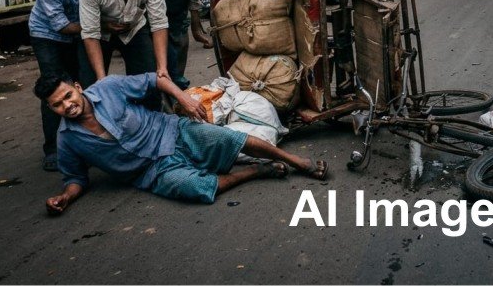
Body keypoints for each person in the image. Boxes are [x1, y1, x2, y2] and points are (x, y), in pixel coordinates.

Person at [36, 72, 328, 214]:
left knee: (227, 138)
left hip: (172, 131)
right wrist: (65, 197)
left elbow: (155, 80)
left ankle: (295, 161)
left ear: (77, 88)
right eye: (57, 105)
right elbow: (75, 178)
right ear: (51, 108)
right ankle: (255, 171)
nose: (67, 106)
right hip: (151, 171)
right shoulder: (67, 139)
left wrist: (183, 98)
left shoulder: (108, 87)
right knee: (195, 189)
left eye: (68, 96)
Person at [28, 0, 107, 172]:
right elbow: (62, 26)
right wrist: (101, 25)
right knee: (53, 88)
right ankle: (53, 148)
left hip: (83, 31)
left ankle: (89, 141)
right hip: (48, 35)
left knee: (85, 83)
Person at [78, 0, 169, 111]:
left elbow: (159, 23)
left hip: (135, 29)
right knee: (92, 87)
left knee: (149, 85)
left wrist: (162, 67)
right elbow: (90, 34)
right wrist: (102, 79)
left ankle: (150, 122)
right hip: (101, 33)